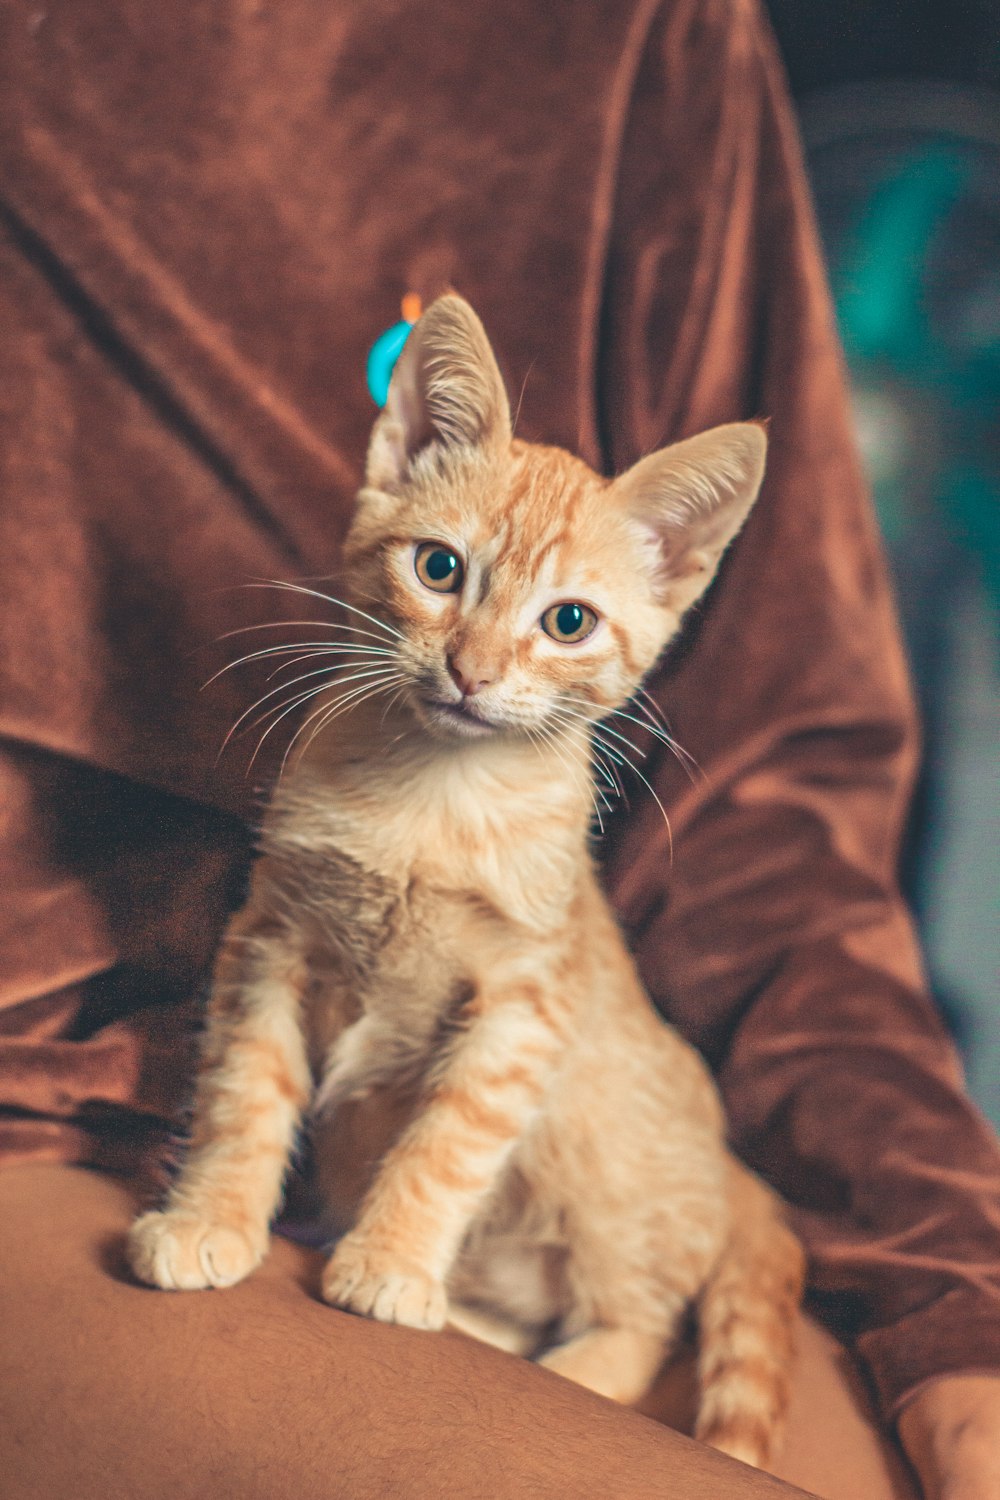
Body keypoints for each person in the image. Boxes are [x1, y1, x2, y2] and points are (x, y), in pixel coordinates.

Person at [1, 1, 998, 1495]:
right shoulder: (339, 733)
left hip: (551, 1208)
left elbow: (771, 837)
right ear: (400, 469)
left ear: (666, 580)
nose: (479, 661)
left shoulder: (664, 44)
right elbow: (276, 953)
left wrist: (951, 1281)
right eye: (448, 574)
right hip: (95, 1122)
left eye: (567, 624)